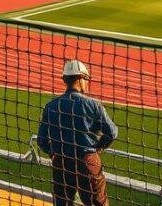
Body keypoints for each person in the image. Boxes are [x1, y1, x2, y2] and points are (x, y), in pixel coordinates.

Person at [37, 60, 117, 206]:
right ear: (80, 78)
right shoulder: (93, 105)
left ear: (65, 80)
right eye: (86, 79)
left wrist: (54, 153)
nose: (87, 82)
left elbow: (41, 141)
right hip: (87, 162)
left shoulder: (51, 106)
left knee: (62, 203)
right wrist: (98, 148)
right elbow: (112, 133)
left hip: (61, 162)